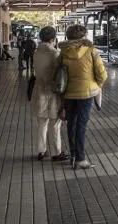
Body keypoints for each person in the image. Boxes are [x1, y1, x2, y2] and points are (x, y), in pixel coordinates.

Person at [59, 25, 107, 169]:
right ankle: (80, 159)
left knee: (71, 124)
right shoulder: (92, 51)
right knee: (81, 125)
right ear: (83, 36)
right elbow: (102, 74)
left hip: (68, 93)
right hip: (86, 93)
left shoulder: (63, 52)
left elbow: (59, 73)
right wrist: (96, 85)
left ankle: (73, 156)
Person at [32, 26, 69, 162]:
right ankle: (56, 152)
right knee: (55, 124)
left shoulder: (36, 53)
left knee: (42, 124)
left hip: (39, 91)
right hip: (53, 93)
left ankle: (41, 151)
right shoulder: (56, 54)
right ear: (53, 39)